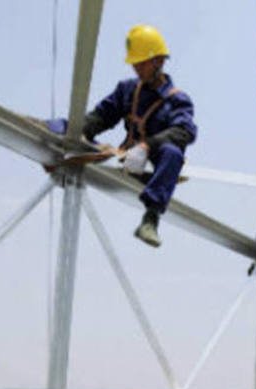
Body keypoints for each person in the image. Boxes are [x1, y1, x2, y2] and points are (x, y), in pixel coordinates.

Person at [46, 25, 196, 248]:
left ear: (159, 61)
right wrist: (71, 132)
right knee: (76, 132)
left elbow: (185, 131)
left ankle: (150, 220)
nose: (137, 68)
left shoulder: (177, 100)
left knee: (172, 153)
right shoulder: (127, 90)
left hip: (153, 173)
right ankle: (56, 144)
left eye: (142, 63)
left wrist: (146, 146)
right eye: (135, 63)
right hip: (125, 160)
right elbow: (100, 117)